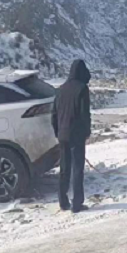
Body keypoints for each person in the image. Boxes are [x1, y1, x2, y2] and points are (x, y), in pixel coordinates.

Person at [51, 59, 92, 213]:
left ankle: (63, 201)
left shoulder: (60, 89)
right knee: (77, 169)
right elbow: (84, 114)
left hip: (62, 135)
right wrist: (86, 131)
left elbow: (54, 114)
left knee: (64, 168)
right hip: (76, 135)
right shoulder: (82, 89)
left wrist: (57, 131)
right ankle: (77, 204)